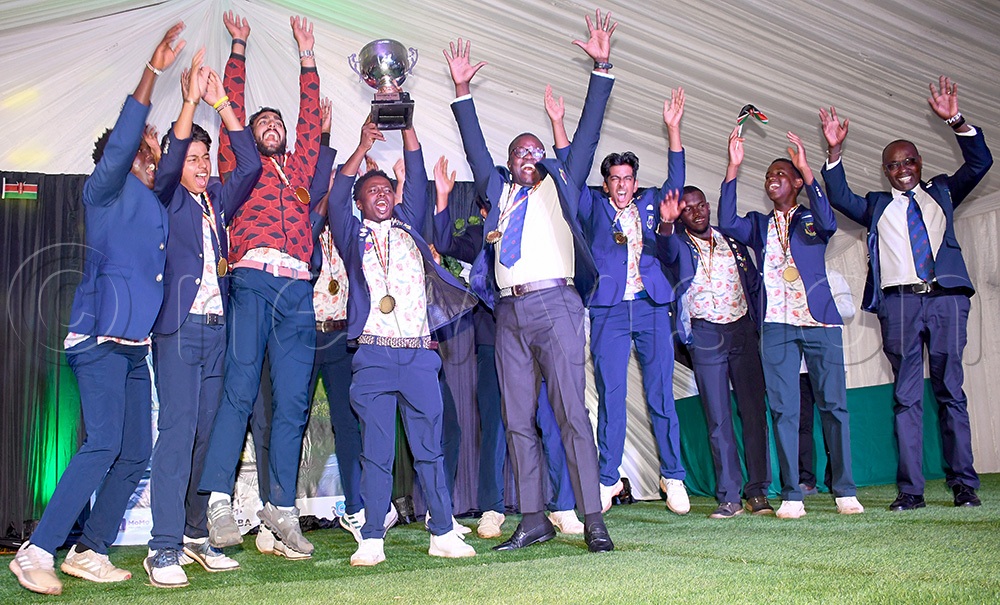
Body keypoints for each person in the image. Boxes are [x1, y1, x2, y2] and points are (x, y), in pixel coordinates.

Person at [8, 23, 187, 596]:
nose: (155, 150)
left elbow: (171, 165)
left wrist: (188, 104)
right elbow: (127, 139)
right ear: (127, 154)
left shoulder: (151, 200)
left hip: (133, 347)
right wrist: (153, 74)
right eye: (147, 146)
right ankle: (37, 550)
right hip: (99, 338)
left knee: (135, 452)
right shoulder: (104, 189)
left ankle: (90, 550)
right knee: (104, 442)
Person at [444, 8, 616, 552]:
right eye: (518, 151)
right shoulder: (498, 194)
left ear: (544, 159)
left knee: (570, 414)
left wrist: (601, 69)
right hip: (509, 313)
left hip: (556, 305)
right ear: (509, 161)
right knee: (517, 419)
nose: (527, 156)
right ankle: (534, 518)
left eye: (534, 150)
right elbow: (475, 149)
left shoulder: (560, 185)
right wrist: (462, 91)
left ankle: (593, 519)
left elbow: (587, 135)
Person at [819, 76, 992, 510]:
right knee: (906, 397)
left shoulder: (943, 192)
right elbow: (837, 194)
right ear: (886, 171)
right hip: (899, 305)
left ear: (919, 162)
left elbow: (980, 162)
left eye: (909, 160)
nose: (903, 168)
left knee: (951, 390)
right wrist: (835, 151)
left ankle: (964, 485)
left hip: (946, 299)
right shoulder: (875, 205)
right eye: (894, 164)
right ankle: (911, 491)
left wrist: (955, 119)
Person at [196, 12, 322, 559]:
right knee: (240, 388)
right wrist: (239, 46)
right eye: (262, 123)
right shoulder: (237, 163)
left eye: (276, 123)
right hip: (252, 280)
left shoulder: (300, 169)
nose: (270, 126)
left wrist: (307, 56)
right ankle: (218, 500)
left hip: (297, 290)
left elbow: (311, 120)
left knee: (293, 401)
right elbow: (235, 108)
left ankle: (281, 507)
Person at [327, 118, 477, 566]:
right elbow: (336, 195)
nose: (381, 194)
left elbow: (414, 169)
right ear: (359, 203)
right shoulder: (352, 236)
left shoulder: (409, 226)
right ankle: (372, 536)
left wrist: (407, 125)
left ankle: (443, 531)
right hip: (373, 354)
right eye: (371, 191)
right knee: (376, 452)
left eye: (386, 190)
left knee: (430, 449)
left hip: (418, 354)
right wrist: (361, 148)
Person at [145, 53, 261, 587]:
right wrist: (191, 101)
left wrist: (222, 102)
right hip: (178, 329)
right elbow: (169, 162)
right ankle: (162, 546)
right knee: (177, 432)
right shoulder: (168, 196)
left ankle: (194, 535)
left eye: (205, 158)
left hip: (217, 330)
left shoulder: (215, 199)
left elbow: (250, 162)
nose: (201, 165)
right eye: (193, 158)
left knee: (207, 435)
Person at [551, 85, 690, 514]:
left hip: (651, 306)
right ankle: (608, 479)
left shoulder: (651, 203)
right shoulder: (592, 206)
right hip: (609, 310)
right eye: (615, 179)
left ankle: (673, 476)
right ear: (607, 182)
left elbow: (676, 184)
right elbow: (570, 175)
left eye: (628, 178)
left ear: (635, 181)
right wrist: (558, 125)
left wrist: (674, 129)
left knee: (660, 395)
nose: (623, 185)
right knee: (611, 397)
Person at [718, 127, 864, 519]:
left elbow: (830, 222)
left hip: (819, 322)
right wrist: (733, 167)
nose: (773, 179)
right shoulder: (758, 224)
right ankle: (792, 494)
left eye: (781, 173)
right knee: (784, 410)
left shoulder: (812, 217)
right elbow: (727, 220)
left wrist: (808, 169)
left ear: (797, 183)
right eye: (768, 175)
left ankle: (845, 490)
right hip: (777, 324)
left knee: (834, 406)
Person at [433, 165, 585, 539]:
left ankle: (563, 507)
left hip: (544, 339)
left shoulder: (540, 222)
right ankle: (492, 509)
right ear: (485, 208)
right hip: (495, 341)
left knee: (553, 420)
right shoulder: (480, 235)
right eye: (491, 201)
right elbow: (444, 242)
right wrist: (443, 196)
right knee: (496, 426)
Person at [662, 185, 773, 518]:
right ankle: (729, 497)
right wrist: (666, 224)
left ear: (709, 206)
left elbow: (754, 284)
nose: (696, 212)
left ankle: (758, 492)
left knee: (754, 413)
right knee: (718, 417)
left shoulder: (732, 240)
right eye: (687, 209)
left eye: (700, 205)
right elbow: (664, 250)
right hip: (705, 333)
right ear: (680, 215)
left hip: (742, 330)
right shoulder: (678, 244)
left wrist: (757, 325)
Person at [797, 269, 854, 496]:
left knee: (833, 417)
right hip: (799, 366)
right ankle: (805, 479)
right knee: (801, 423)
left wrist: (818, 304)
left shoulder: (832, 275)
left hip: (828, 360)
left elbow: (848, 310)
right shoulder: (787, 275)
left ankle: (836, 479)